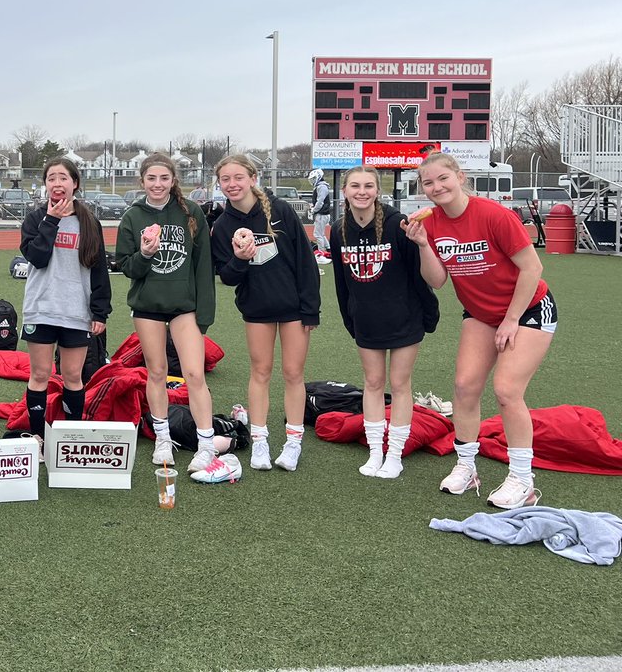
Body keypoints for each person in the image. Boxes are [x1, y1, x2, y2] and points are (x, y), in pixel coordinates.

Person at [403, 152, 556, 509]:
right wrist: (424, 244)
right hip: (481, 314)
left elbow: (532, 268)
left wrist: (512, 319)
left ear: (459, 176)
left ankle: (523, 480)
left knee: (506, 390)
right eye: (428, 182)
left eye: (443, 178)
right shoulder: (433, 224)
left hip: (529, 310)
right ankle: (466, 466)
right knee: (463, 387)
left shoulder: (494, 214)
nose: (437, 187)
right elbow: (437, 281)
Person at [211, 154, 320, 472]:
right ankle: (260, 441)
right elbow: (228, 277)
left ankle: (293, 443)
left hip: (293, 309)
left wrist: (310, 309)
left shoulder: (281, 211)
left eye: (238, 177)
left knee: (293, 373)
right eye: (225, 180)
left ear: (253, 178)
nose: (232, 184)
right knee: (260, 372)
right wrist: (241, 258)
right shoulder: (222, 225)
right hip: (257, 309)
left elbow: (305, 262)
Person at [332, 166, 439, 479]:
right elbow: (341, 283)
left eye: (368, 186)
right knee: (373, 383)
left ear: (377, 190)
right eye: (355, 186)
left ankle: (395, 454)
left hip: (404, 318)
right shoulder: (339, 229)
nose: (361, 191)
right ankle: (375, 451)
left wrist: (427, 314)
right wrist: (350, 317)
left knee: (400, 384)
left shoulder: (397, 225)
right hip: (366, 319)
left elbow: (421, 278)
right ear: (345, 191)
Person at [116, 153, 217, 472]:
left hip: (184, 308)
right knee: (156, 373)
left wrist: (204, 316)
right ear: (142, 181)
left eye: (164, 178)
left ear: (173, 180)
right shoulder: (132, 217)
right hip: (147, 308)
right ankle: (162, 439)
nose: (157, 184)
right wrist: (145, 254)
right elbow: (126, 266)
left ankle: (206, 444)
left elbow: (203, 267)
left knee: (195, 374)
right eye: (151, 178)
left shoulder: (192, 212)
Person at [18, 159, 111, 448]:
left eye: (63, 178)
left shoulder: (89, 222)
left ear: (75, 183)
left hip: (76, 311)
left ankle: (70, 438)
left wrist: (100, 310)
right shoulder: (35, 220)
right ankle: (37, 436)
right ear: (45, 184)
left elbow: (98, 269)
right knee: (41, 374)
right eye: (51, 178)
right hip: (42, 309)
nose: (57, 184)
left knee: (73, 376)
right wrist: (52, 220)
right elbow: (37, 257)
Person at [308, 169, 332, 263]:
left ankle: (321, 254)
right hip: (323, 214)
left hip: (322, 214)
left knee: (317, 234)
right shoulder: (321, 186)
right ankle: (329, 249)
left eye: (314, 178)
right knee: (321, 234)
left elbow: (320, 202)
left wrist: (314, 210)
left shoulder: (321, 187)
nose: (313, 181)